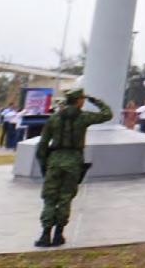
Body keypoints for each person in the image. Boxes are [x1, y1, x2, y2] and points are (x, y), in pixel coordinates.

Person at [34, 89, 112, 248]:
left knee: (50, 198)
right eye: (82, 99)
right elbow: (107, 114)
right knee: (65, 197)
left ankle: (44, 234)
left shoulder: (54, 118)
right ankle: (58, 234)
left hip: (54, 161)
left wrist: (44, 163)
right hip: (73, 161)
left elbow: (42, 145)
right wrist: (94, 99)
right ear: (79, 100)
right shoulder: (83, 117)